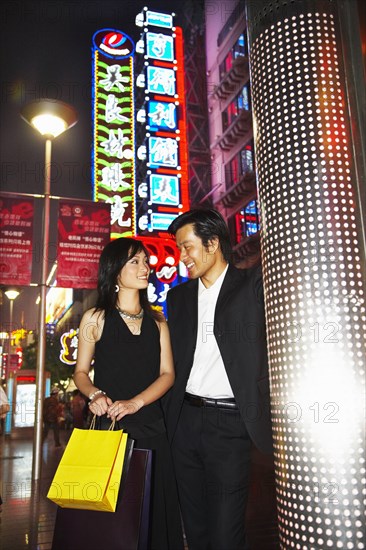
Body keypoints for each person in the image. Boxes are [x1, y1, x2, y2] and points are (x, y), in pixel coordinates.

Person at [165, 208, 273, 550]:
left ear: (212, 244)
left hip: (229, 425)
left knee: (226, 532)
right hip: (184, 421)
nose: (182, 257)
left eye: (187, 247)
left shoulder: (253, 285)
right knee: (195, 530)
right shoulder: (178, 298)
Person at [73, 237, 184, 550]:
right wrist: (94, 395)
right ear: (115, 271)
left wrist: (137, 402)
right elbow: (80, 372)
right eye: (134, 261)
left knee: (157, 512)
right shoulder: (94, 318)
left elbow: (168, 375)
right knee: (116, 518)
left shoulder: (158, 321)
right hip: (111, 429)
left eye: (145, 261)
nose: (145, 267)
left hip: (153, 428)